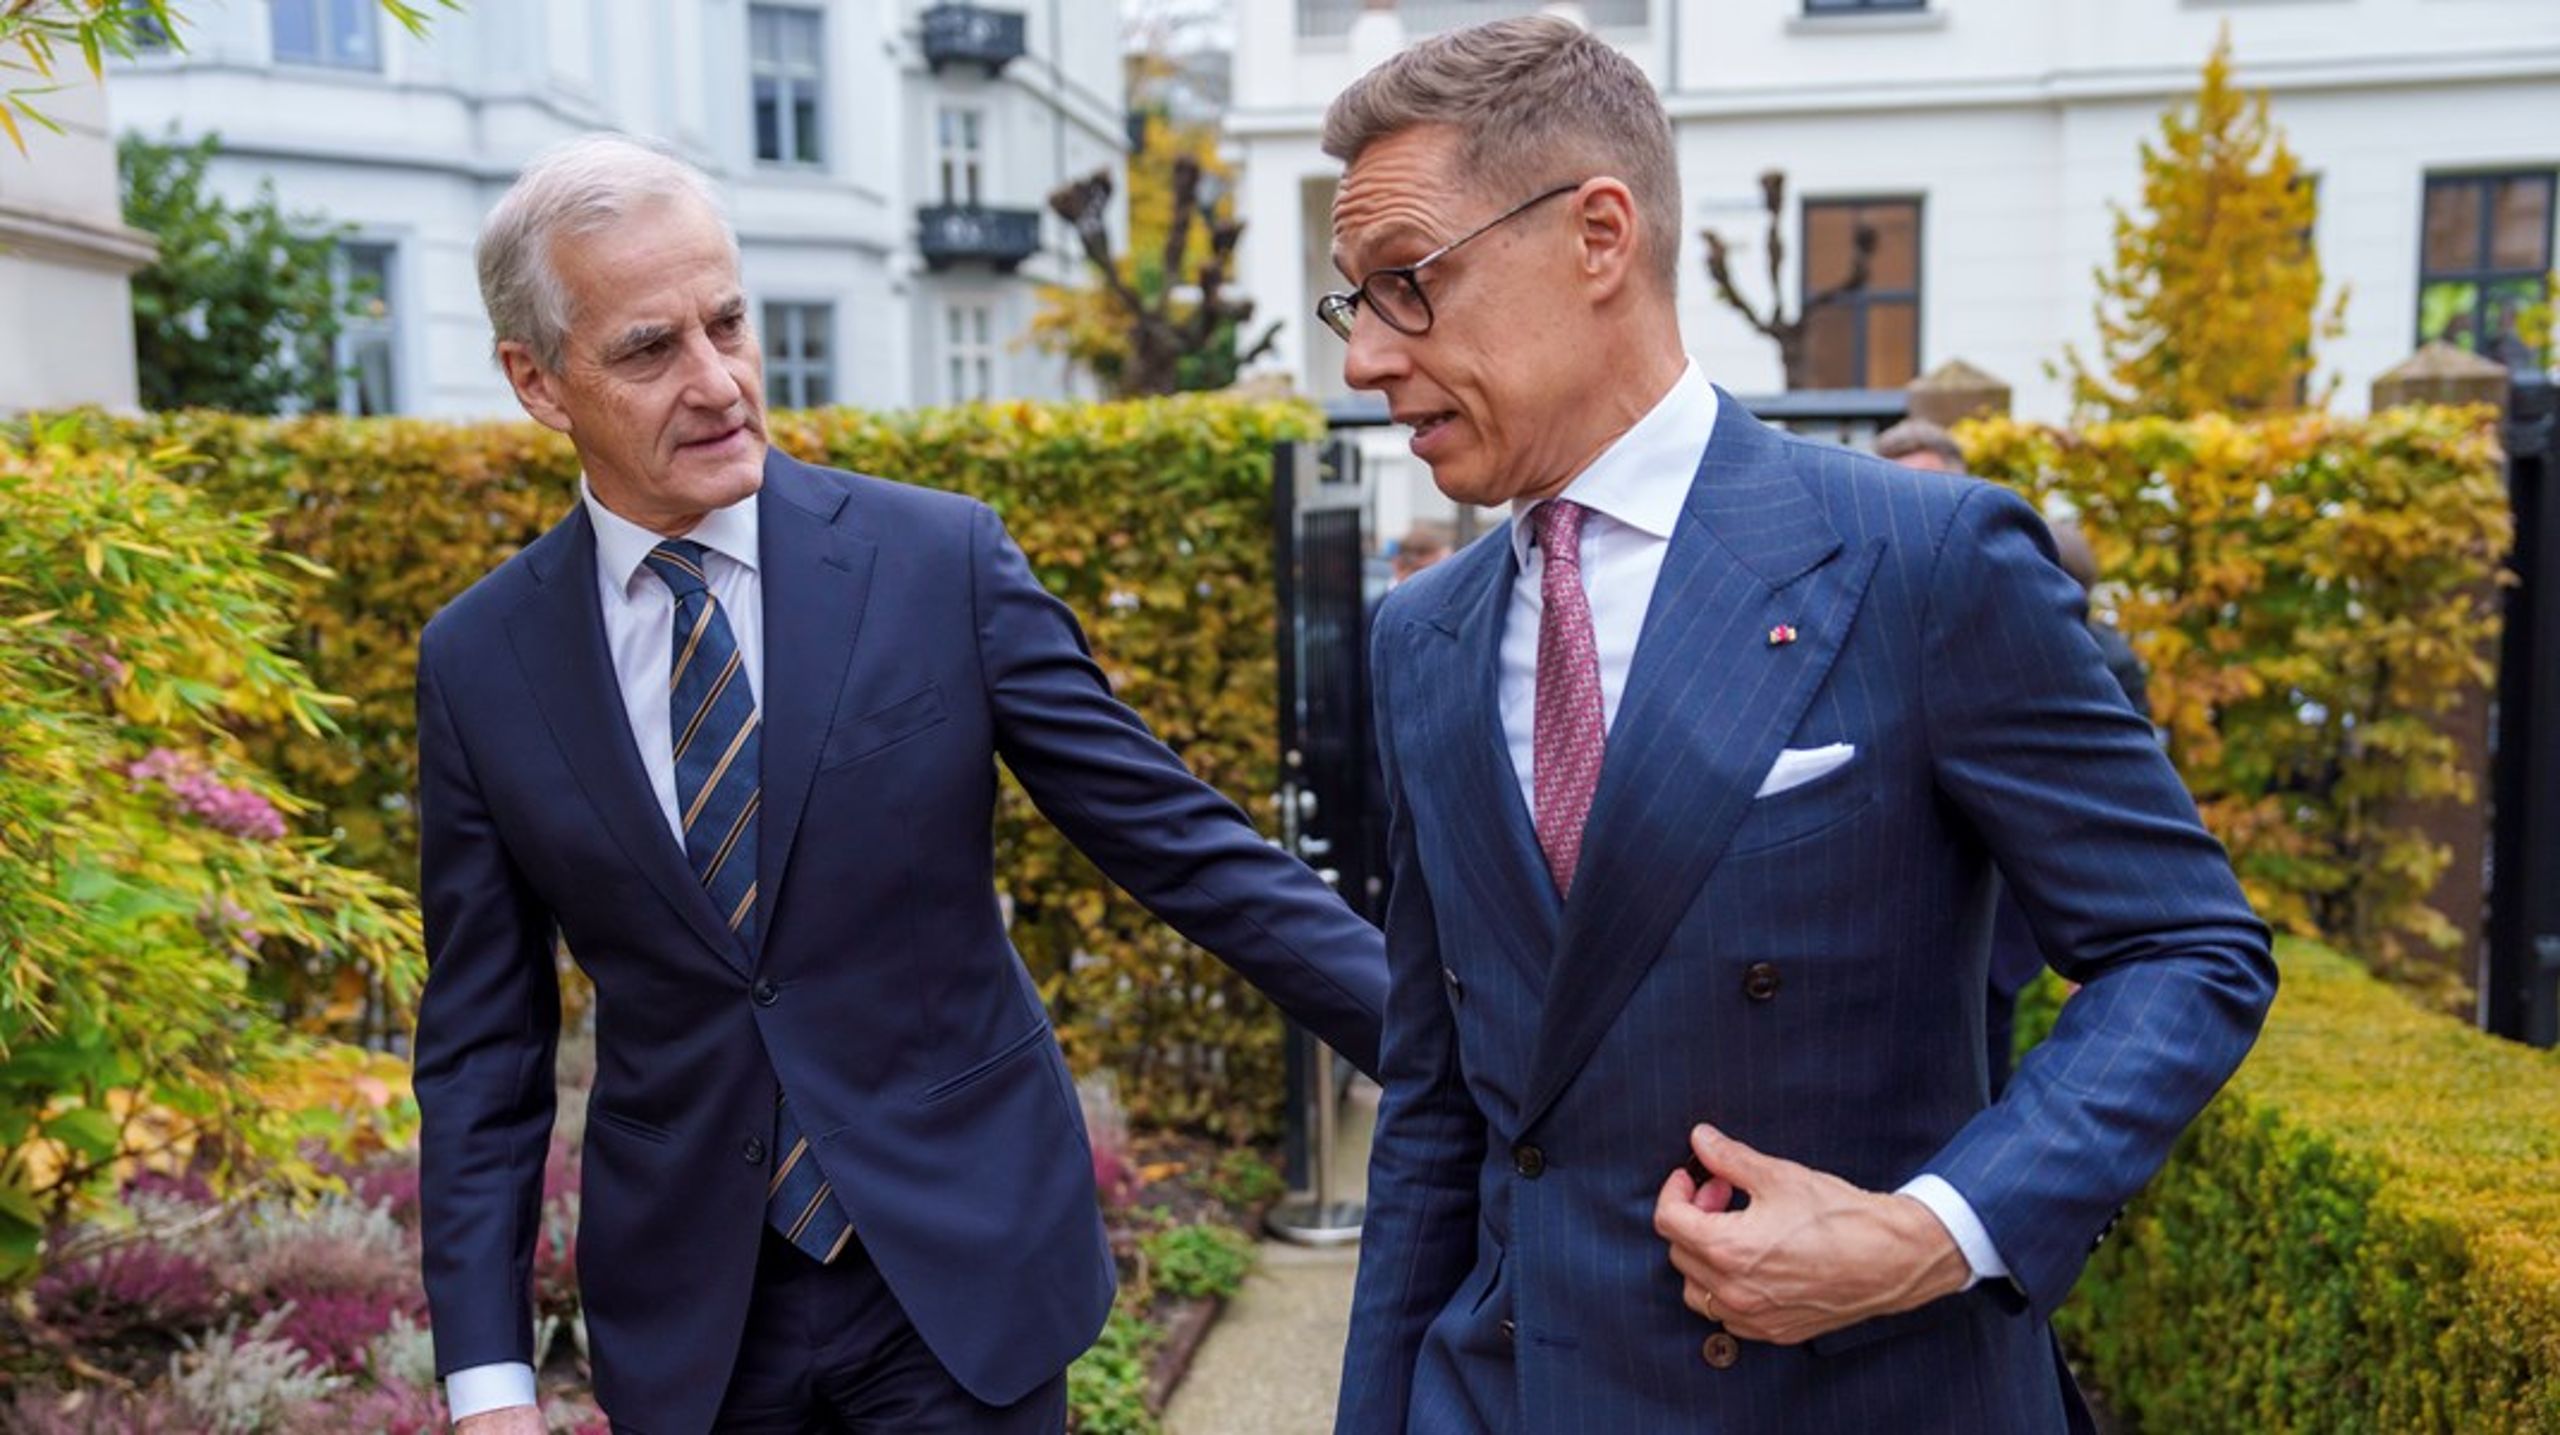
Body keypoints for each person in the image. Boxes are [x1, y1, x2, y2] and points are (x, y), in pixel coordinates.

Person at [1319, 17, 2275, 1432]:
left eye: (1408, 285)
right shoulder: (1422, 635)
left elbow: (2183, 946)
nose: (1365, 362)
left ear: (1597, 237)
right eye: (1356, 304)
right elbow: (1436, 1102)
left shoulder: (1920, 559)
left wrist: (1933, 1232)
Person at [413, 133, 1386, 1434]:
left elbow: (1180, 846)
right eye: (651, 350)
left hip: (960, 1284)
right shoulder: (481, 662)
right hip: (696, 1324)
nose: (717, 384)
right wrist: (487, 1380)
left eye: (729, 325)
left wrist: (1469, 1061)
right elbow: (483, 1047)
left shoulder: (938, 562)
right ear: (538, 382)